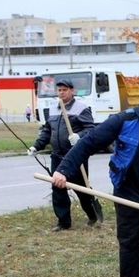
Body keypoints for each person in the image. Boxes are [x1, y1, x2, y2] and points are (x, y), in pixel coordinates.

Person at [51, 88, 139, 277]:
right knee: (130, 242)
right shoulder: (124, 121)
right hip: (128, 192)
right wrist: (64, 170)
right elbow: (89, 143)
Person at [28, 78, 103, 231]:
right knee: (58, 187)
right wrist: (36, 146)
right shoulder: (53, 109)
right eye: (59, 90)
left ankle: (93, 214)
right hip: (57, 156)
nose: (61, 93)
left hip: (75, 156)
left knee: (81, 188)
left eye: (65, 90)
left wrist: (79, 136)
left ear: (72, 91)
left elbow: (90, 129)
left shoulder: (81, 108)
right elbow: (47, 131)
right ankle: (63, 222)